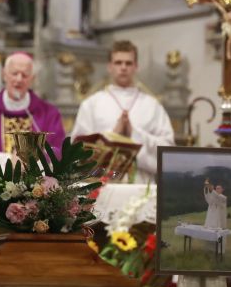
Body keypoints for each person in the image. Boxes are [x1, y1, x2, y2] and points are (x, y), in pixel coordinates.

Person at [71, 40, 174, 183]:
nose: (123, 67)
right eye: (118, 63)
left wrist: (134, 133)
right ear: (109, 67)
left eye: (128, 63)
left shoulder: (152, 105)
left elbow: (168, 151)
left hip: (142, 183)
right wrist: (113, 135)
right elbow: (77, 150)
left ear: (136, 66)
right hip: (101, 183)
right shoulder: (91, 104)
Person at [0, 52, 65, 180]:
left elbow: (57, 151)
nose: (19, 79)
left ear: (33, 79)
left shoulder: (49, 114)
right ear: (4, 74)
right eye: (14, 73)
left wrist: (32, 161)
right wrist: (8, 161)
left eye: (25, 75)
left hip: (38, 189)